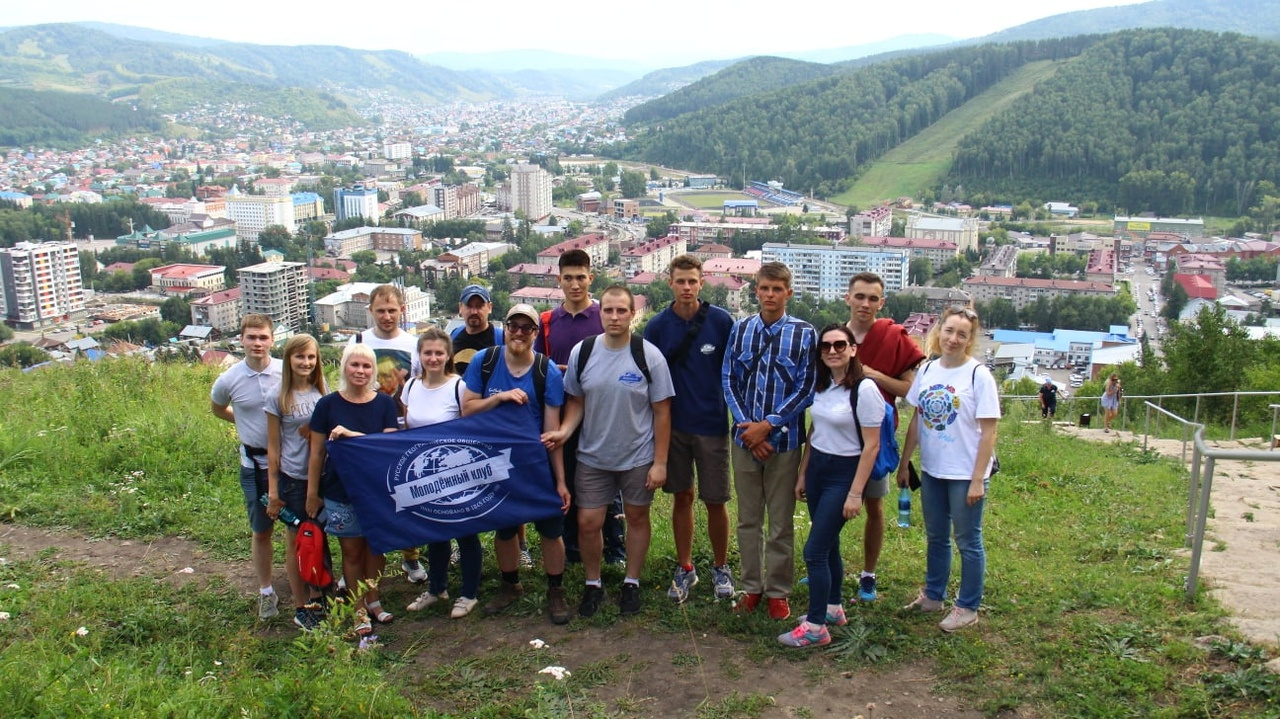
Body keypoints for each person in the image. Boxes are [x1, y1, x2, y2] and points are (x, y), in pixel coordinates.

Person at [546, 286, 675, 619]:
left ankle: (631, 582)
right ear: (599, 312)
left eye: (621, 311)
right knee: (588, 522)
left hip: (637, 455)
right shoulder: (583, 352)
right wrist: (565, 431)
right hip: (593, 455)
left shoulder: (649, 356)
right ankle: (593, 583)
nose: (614, 317)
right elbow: (576, 401)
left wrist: (660, 462)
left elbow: (662, 412)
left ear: (632, 314)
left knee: (637, 517)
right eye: (608, 310)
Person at [462, 304, 573, 625]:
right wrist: (499, 397)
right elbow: (467, 409)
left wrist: (560, 480)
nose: (520, 333)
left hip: (535, 463)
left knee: (551, 529)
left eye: (527, 328)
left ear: (536, 334)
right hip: (495, 461)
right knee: (505, 527)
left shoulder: (547, 372)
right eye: (514, 326)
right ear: (505, 328)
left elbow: (552, 433)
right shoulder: (485, 361)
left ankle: (555, 589)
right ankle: (510, 584)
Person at [722, 261, 817, 620]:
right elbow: (729, 378)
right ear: (756, 290)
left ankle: (778, 591)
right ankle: (752, 587)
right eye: (764, 288)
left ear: (788, 293)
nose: (770, 295)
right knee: (748, 519)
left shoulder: (804, 333)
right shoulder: (741, 329)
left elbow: (806, 387)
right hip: (745, 439)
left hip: (785, 442)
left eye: (777, 289)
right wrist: (748, 428)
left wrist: (769, 425)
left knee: (780, 522)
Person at [897, 306, 1000, 633]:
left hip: (964, 474)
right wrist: (905, 462)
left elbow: (989, 432)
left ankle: (967, 606)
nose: (953, 339)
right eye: (949, 331)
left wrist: (977, 480)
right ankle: (933, 596)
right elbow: (917, 419)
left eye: (962, 334)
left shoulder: (978, 375)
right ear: (938, 331)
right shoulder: (928, 370)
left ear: (970, 340)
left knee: (968, 540)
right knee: (937, 536)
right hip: (933, 470)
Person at [780, 324, 883, 648]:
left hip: (844, 473)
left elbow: (872, 446)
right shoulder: (823, 385)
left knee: (814, 551)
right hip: (819, 470)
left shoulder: (864, 389)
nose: (833, 351)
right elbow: (815, 431)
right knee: (829, 545)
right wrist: (803, 473)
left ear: (853, 349)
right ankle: (833, 608)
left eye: (840, 345)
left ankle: (815, 627)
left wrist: (855, 493)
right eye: (826, 346)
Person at [643, 254, 736, 603]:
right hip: (674, 426)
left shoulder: (721, 322)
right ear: (670, 283)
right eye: (680, 281)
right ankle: (685, 567)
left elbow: (733, 372)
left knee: (716, 499)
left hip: (712, 424)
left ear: (702, 283)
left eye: (692, 281)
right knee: (682, 496)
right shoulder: (657, 326)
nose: (686, 287)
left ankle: (721, 566)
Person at [535, 249, 626, 566]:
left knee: (607, 480)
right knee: (568, 477)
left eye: (581, 277)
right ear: (559, 280)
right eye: (568, 278)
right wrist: (557, 371)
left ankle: (615, 547)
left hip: (601, 412)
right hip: (562, 413)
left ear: (591, 278)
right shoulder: (548, 322)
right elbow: (539, 366)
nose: (575, 285)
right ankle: (572, 546)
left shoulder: (604, 317)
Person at [307, 343, 401, 636]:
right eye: (354, 365)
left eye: (366, 366)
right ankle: (358, 606)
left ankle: (374, 598)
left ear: (373, 371)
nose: (360, 371)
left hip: (378, 490)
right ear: (344, 367)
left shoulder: (385, 404)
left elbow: (386, 448)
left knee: (376, 547)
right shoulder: (327, 405)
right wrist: (312, 493)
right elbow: (316, 453)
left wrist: (351, 435)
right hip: (340, 489)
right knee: (351, 551)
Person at [843, 271, 925, 602]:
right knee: (828, 503)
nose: (865, 304)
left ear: (881, 303)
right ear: (848, 298)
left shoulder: (893, 337)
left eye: (872, 298)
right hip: (838, 435)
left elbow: (909, 390)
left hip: (876, 436)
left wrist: (874, 375)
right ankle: (827, 564)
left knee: (874, 506)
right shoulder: (835, 337)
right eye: (859, 296)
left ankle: (868, 574)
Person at [401, 328, 484, 619]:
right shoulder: (410, 386)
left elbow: (471, 428)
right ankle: (437, 588)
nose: (433, 358)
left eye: (439, 353)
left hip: (455, 472)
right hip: (423, 473)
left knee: (465, 532)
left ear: (448, 355)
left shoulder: (459, 387)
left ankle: (469, 593)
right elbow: (405, 427)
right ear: (420, 355)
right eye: (428, 353)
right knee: (434, 532)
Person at [350, 284, 426, 584]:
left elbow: (420, 384)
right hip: (365, 426)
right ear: (371, 311)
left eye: (392, 310)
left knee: (406, 491)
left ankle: (411, 555)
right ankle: (366, 555)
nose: (386, 316)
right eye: (380, 310)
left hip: (402, 424)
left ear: (402, 310)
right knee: (369, 492)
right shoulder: (358, 341)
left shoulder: (413, 344)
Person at [210, 314, 285, 620]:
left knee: (299, 527)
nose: (257, 343)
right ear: (241, 340)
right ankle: (266, 590)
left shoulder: (285, 371)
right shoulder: (229, 379)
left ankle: (308, 580)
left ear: (272, 340)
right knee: (261, 529)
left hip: (289, 461)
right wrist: (242, 424)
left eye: (263, 337)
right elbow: (217, 408)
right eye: (251, 337)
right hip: (254, 464)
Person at [264, 333, 328, 631]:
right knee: (297, 541)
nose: (306, 362)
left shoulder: (322, 393)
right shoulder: (277, 397)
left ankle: (318, 595)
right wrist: (273, 490)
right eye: (300, 356)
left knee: (318, 539)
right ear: (289, 359)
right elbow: (273, 446)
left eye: (311, 357)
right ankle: (301, 604)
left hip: (322, 477)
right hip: (294, 478)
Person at [451, 283, 503, 376]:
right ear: (460, 308)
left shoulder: (501, 339)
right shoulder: (454, 335)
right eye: (469, 306)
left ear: (490, 307)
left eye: (479, 306)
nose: (474, 312)